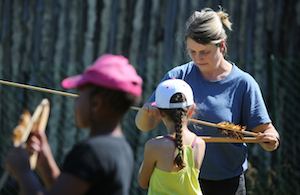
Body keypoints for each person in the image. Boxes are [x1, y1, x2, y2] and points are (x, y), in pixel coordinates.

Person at [135, 7, 280, 195]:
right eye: (192, 51)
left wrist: (270, 140)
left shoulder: (243, 83)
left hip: (229, 182)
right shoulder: (177, 78)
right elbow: (143, 125)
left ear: (221, 46)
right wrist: (147, 113)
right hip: (185, 178)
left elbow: (266, 131)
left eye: (204, 52)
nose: (197, 58)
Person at [5, 54, 143, 195]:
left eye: (79, 95)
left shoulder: (91, 152)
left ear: (96, 103)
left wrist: (23, 173)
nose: (75, 104)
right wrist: (45, 162)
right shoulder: (121, 148)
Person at [138, 78, 206, 195]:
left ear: (159, 113)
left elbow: (143, 182)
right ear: (191, 110)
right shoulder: (200, 143)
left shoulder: (154, 146)